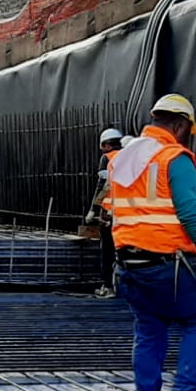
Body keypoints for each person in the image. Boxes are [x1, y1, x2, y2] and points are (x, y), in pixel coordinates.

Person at [106, 93, 196, 391]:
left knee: (149, 328)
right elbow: (190, 212)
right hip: (168, 262)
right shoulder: (174, 157)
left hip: (129, 264)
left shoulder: (122, 159)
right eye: (189, 130)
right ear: (179, 125)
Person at [84, 127, 124, 296]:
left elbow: (103, 186)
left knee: (107, 251)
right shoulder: (129, 157)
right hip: (129, 214)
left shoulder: (107, 158)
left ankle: (108, 286)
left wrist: (93, 210)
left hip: (109, 214)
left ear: (106, 145)